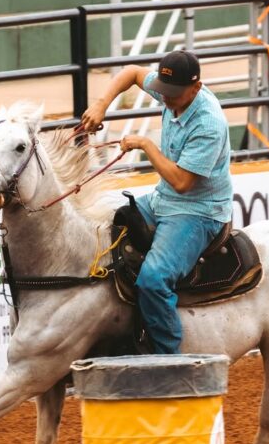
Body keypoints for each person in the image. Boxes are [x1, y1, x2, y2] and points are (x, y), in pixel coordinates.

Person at [80, 50, 232, 354]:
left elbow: (182, 182)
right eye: (163, 91)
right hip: (164, 200)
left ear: (196, 87)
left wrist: (146, 145)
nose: (166, 99)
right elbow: (133, 73)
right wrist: (101, 105)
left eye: (173, 95)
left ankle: (169, 360)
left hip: (198, 212)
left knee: (153, 279)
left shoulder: (208, 124)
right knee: (105, 235)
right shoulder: (172, 92)